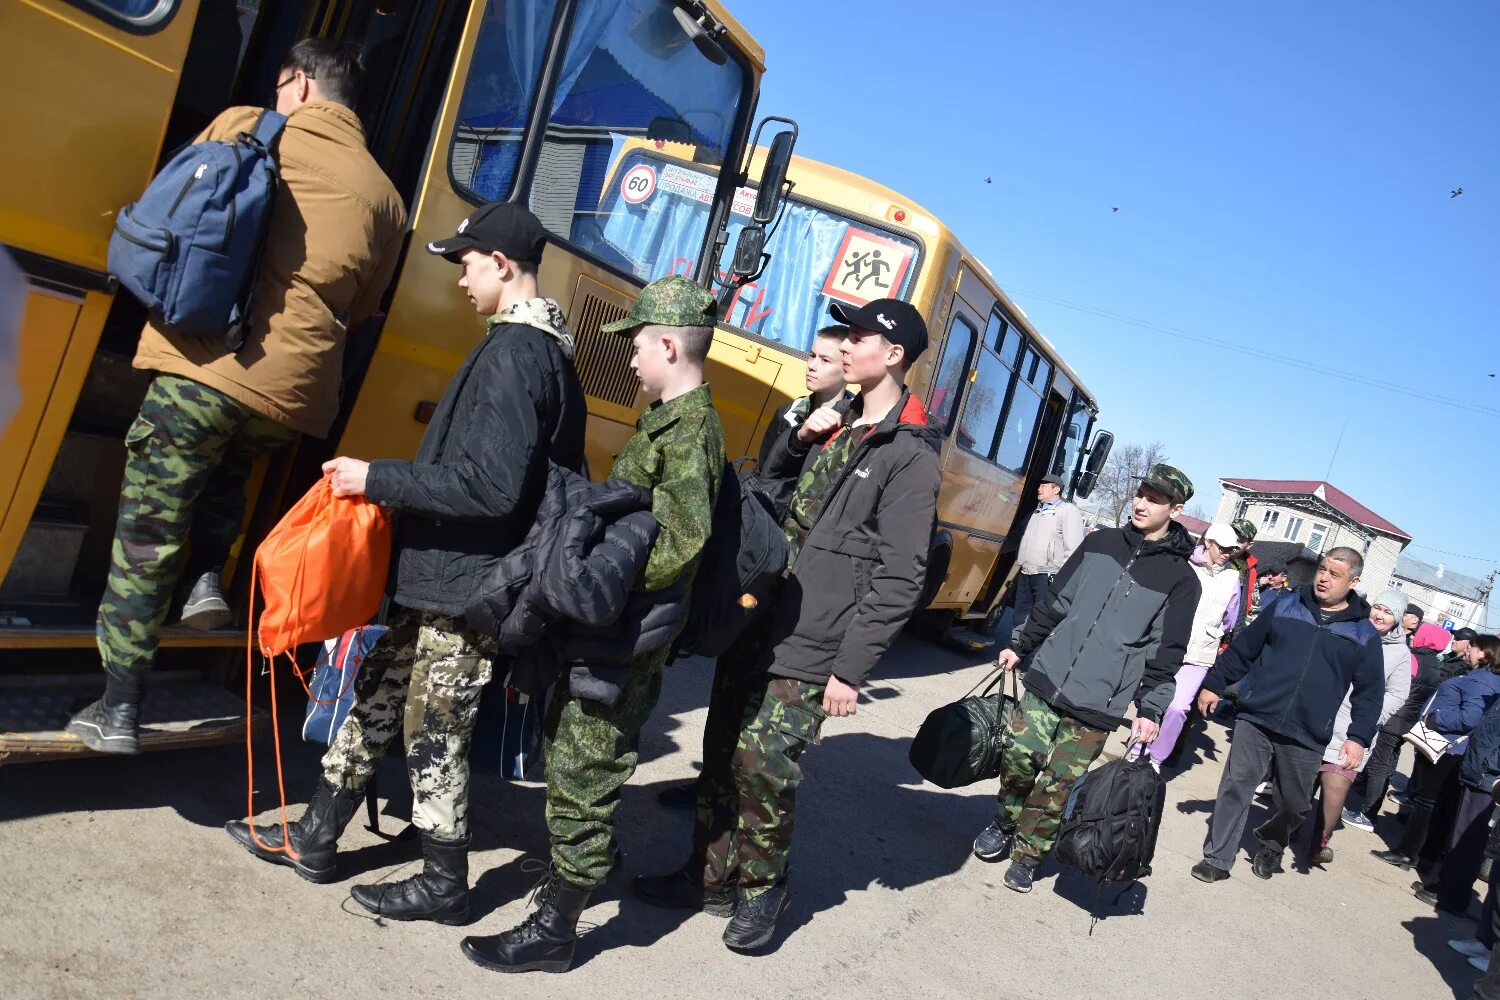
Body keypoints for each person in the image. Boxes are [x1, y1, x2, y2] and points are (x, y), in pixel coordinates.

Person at [225, 203, 584, 923]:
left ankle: (445, 885)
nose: (460, 280)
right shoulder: (539, 351)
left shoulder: (517, 354)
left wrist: (375, 477)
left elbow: (490, 487)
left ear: (503, 265)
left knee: (435, 730)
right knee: (378, 695)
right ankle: (318, 836)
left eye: (468, 265)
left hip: (470, 586)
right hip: (447, 580)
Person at [66, 39, 407, 753]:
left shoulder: (244, 124)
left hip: (205, 364)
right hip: (291, 396)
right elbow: (368, 306)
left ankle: (118, 707)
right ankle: (203, 584)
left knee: (145, 536)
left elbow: (172, 214)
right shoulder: (386, 196)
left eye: (285, 85)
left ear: (303, 84)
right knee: (226, 469)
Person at [632, 297, 941, 952]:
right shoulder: (839, 421)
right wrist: (800, 439)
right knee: (720, 753)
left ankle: (764, 888)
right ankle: (708, 878)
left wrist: (850, 669)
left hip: (815, 641)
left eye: (859, 337)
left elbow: (901, 575)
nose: (846, 345)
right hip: (761, 617)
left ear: (892, 355)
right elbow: (773, 490)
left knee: (763, 764)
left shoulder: (909, 455)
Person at [460, 276, 725, 974]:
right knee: (573, 746)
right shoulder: (671, 419)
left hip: (625, 633)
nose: (632, 358)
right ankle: (583, 869)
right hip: (615, 626)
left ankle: (556, 929)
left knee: (586, 765)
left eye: (638, 345)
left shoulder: (692, 431)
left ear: (669, 345)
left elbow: (679, 542)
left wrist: (595, 573)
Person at [973, 464, 1200, 893]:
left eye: (1154, 499)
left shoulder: (1181, 580)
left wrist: (1151, 707)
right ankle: (1003, 823)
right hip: (1048, 675)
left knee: (1058, 783)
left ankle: (1027, 854)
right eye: (1141, 493)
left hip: (1098, 701)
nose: (1141, 503)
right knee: (1020, 761)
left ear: (1176, 508)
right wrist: (1021, 645)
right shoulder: (1099, 543)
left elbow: (1165, 652)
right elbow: (1056, 603)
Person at [656, 326, 851, 813]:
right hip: (761, 555)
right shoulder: (794, 409)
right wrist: (797, 438)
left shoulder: (851, 425)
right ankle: (710, 783)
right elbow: (770, 473)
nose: (811, 364)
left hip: (794, 571)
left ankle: (732, 793)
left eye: (823, 359)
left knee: (756, 688)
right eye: (810, 354)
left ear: (846, 367)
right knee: (729, 675)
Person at [1192, 547, 1384, 882]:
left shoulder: (1364, 635)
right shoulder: (1285, 605)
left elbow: (1370, 694)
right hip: (1258, 715)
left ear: (1353, 582)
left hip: (1308, 731)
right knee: (1237, 786)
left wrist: (1358, 738)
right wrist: (1215, 683)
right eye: (1322, 569)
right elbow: (1244, 649)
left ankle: (1273, 841)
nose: (1323, 577)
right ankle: (1217, 859)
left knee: (1295, 804)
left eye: (1334, 574)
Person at [1372, 635, 1500, 878]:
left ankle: (1408, 853)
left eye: (1472, 647)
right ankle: (1426, 856)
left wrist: (1435, 720)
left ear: (1483, 653)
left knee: (1426, 803)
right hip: (1454, 752)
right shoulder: (1487, 679)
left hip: (1446, 749)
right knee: (1439, 807)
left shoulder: (1481, 682)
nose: (1467, 651)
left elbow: (1470, 718)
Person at [1304, 588, 1411, 865]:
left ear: (1397, 620)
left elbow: (1398, 694)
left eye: (1389, 612)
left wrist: (1371, 714)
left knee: (1336, 785)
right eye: (1378, 607)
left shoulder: (1400, 653)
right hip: (1322, 715)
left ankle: (1320, 842)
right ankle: (1288, 826)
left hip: (1355, 727)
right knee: (1303, 781)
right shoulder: (1352, 629)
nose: (1380, 615)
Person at [1343, 622, 1458, 831]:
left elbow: (1394, 686)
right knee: (1386, 765)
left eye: (1418, 634)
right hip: (1407, 722)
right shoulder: (1435, 665)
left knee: (1378, 765)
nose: (1413, 637)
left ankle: (1367, 813)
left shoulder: (1413, 658)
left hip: (1394, 719)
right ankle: (1369, 807)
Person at [1148, 522, 1244, 768]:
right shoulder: (1185, 565)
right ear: (1208, 542)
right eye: (1222, 547)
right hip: (1166, 645)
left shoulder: (1233, 577)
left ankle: (1155, 759)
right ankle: (1137, 749)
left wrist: (1210, 631)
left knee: (1179, 707)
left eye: (1231, 549)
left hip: (1200, 654)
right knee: (1150, 702)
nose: (1226, 553)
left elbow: (1230, 620)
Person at [1428, 640, 1500, 914]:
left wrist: (1491, 769)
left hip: (1487, 775)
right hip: (1479, 770)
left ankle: (1453, 898)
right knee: (1460, 836)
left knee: (1469, 841)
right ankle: (1447, 887)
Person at [1011, 473, 1086, 630]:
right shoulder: (1036, 512)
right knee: (1019, 618)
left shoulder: (1068, 511)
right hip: (1026, 572)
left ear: (1056, 489)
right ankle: (1013, 649)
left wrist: (1060, 577)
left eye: (1043, 486)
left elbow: (1074, 549)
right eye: (1039, 486)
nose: (1039, 489)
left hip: (1047, 576)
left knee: (1039, 619)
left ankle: (1028, 653)